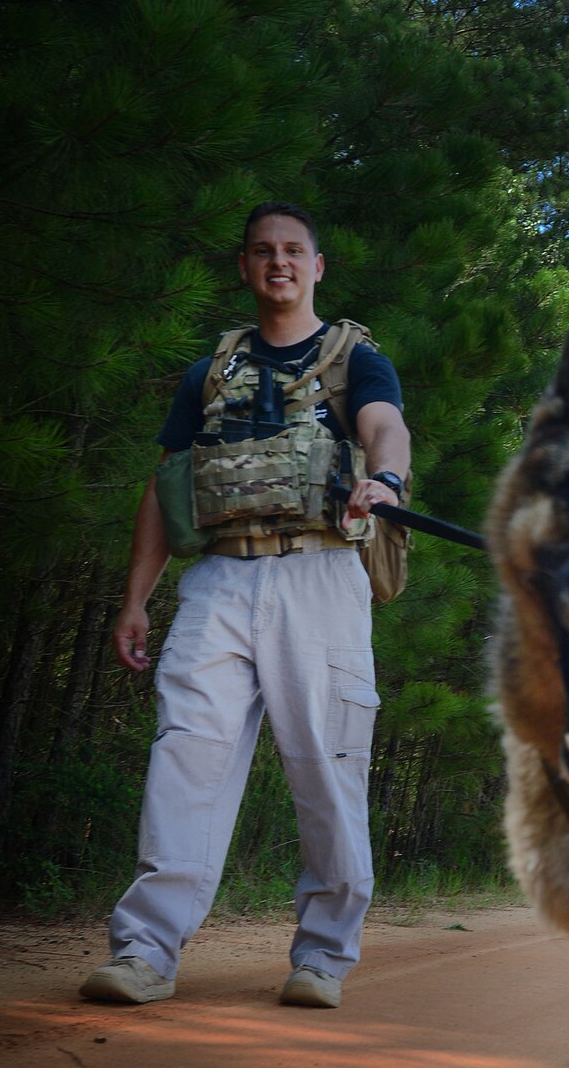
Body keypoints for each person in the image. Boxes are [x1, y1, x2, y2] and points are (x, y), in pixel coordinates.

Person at [81, 204, 411, 1009]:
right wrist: (135, 599)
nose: (279, 263)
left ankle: (323, 959)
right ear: (244, 267)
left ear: (317, 266)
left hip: (320, 579)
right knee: (184, 760)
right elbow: (166, 488)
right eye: (263, 251)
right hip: (220, 584)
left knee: (329, 768)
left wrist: (387, 479)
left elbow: (384, 425)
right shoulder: (211, 372)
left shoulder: (354, 358)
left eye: (293, 250)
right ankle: (146, 953)